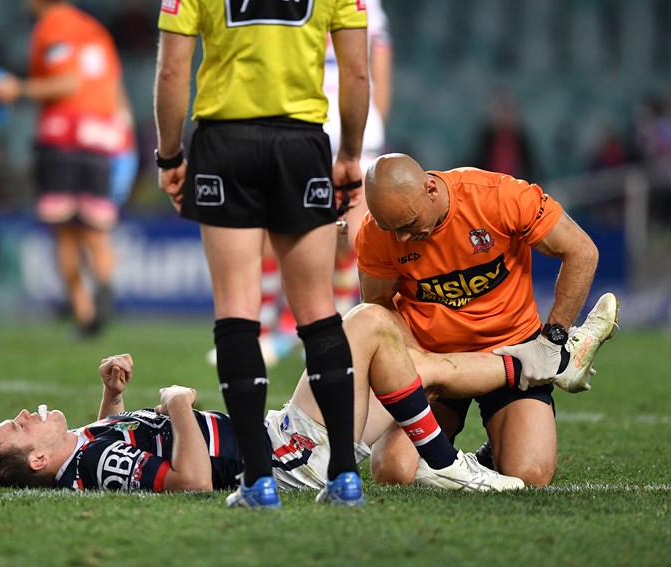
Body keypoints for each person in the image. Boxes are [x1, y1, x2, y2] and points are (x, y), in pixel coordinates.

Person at [0, 303, 553, 495]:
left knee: (414, 372)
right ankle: (523, 375)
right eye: (15, 429)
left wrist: (111, 397)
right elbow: (192, 480)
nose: (23, 415)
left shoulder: (83, 450)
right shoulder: (90, 462)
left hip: (287, 436)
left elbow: (121, 443)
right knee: (371, 322)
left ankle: (528, 369)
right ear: (39, 461)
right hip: (293, 451)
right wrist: (177, 403)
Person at [153, 0, 370, 506]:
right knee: (319, 311)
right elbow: (357, 74)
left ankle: (258, 479)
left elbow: (170, 71)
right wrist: (351, 154)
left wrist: (169, 154)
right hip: (301, 144)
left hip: (225, 144)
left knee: (236, 310)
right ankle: (343, 475)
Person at [355, 153, 620, 486]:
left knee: (530, 476)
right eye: (390, 228)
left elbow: (582, 250)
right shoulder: (377, 232)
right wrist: (415, 363)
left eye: (408, 225)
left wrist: (553, 338)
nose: (402, 239)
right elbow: (378, 309)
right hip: (436, 363)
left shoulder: (499, 196)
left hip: (511, 355)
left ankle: (489, 455)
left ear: (431, 189)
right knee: (394, 472)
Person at [208, 0, 394, 368]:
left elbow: (376, 68)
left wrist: (374, 123)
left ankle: (334, 320)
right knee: (270, 229)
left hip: (350, 126)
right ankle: (264, 332)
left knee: (350, 236)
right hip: (297, 120)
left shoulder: (366, 4)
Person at [0, 0, 136, 338]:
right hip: (103, 139)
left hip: (63, 139)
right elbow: (113, 87)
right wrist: (124, 140)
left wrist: (17, 89)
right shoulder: (95, 29)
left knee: (65, 232)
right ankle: (105, 292)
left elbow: (69, 82)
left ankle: (84, 312)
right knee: (96, 231)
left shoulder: (53, 26)